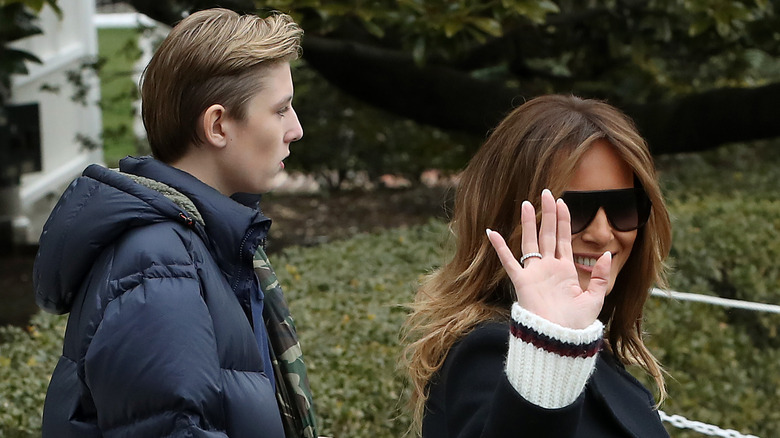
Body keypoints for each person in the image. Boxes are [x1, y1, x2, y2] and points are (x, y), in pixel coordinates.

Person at [32, 9, 317, 438]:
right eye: (280, 110)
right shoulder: (157, 267)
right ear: (218, 124)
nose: (295, 129)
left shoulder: (203, 244)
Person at [402, 94, 673, 437]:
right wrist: (548, 355)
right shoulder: (493, 351)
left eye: (624, 207)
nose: (603, 233)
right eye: (571, 211)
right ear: (508, 214)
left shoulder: (592, 341)